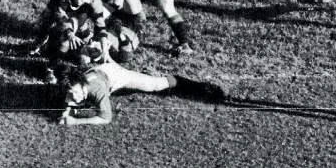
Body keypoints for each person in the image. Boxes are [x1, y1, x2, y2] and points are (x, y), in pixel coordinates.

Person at [57, 63, 226, 126]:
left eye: (75, 92)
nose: (72, 96)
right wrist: (66, 111)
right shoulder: (74, 85)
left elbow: (105, 119)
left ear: (81, 85)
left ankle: (198, 87)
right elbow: (69, 99)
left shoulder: (97, 90)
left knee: (156, 85)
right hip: (100, 70)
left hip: (116, 74)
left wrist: (75, 122)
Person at [29, 0, 121, 84]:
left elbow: (100, 24)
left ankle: (57, 47)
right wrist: (69, 33)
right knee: (57, 32)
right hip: (62, 13)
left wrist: (104, 47)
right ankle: (49, 65)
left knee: (86, 40)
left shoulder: (94, 0)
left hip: (81, 16)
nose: (79, 0)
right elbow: (60, 16)